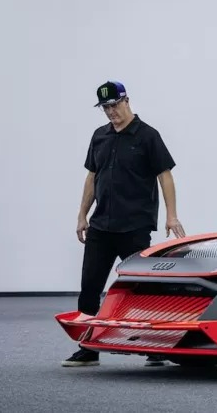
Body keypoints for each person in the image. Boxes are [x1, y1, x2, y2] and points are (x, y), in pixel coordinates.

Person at [61, 80, 187, 367]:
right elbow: (92, 177)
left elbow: (165, 175)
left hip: (134, 227)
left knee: (143, 289)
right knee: (89, 287)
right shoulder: (99, 136)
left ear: (126, 101)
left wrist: (171, 215)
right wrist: (82, 214)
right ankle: (88, 348)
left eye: (115, 105)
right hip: (101, 226)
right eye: (105, 107)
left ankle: (155, 347)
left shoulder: (148, 136)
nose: (111, 112)